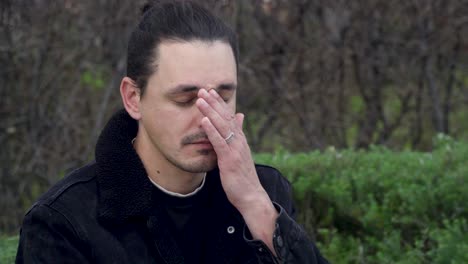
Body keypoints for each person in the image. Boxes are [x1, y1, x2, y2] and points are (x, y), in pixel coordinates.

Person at [16, 1, 328, 263]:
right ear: (133, 98)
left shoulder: (266, 192)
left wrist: (256, 207)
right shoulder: (64, 222)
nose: (206, 118)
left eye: (223, 97)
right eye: (185, 99)